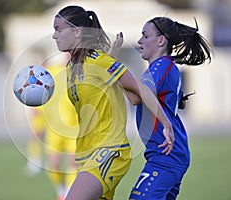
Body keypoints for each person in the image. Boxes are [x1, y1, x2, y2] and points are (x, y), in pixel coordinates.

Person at [52, 6, 174, 200]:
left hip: (109, 151)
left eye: (59, 29)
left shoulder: (99, 61)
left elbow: (141, 90)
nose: (54, 36)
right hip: (86, 155)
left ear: (77, 32)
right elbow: (124, 96)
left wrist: (166, 124)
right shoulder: (71, 67)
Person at [127, 17, 212, 199]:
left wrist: (115, 70)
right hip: (166, 155)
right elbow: (135, 97)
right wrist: (114, 74)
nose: (139, 41)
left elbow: (136, 97)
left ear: (160, 40)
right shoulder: (158, 67)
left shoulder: (162, 66)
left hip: (166, 156)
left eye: (145, 35)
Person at [26, 59, 79, 200]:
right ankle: (61, 190)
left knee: (73, 163)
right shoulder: (53, 71)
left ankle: (68, 193)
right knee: (53, 165)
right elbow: (41, 87)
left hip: (74, 128)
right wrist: (36, 106)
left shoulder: (79, 73)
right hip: (54, 129)